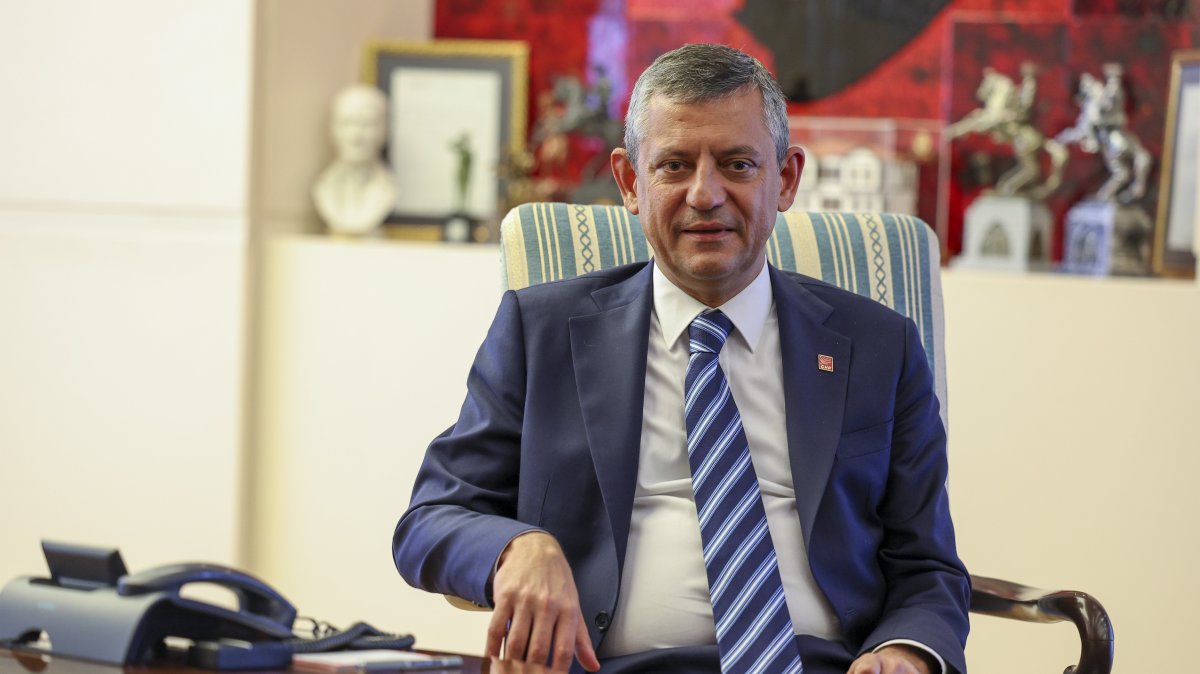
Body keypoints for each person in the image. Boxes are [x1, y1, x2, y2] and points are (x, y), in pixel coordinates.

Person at [393, 44, 969, 674]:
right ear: (630, 183)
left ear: (785, 180)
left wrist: (907, 652)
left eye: (737, 164)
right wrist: (515, 548)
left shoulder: (878, 346)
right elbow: (430, 520)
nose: (704, 194)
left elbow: (927, 565)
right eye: (673, 165)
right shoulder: (542, 331)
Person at [312, 84, 397, 235]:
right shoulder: (323, 189)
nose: (356, 136)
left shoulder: (388, 190)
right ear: (332, 128)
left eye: (367, 124)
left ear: (385, 130)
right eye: (347, 123)